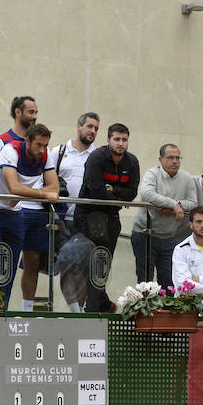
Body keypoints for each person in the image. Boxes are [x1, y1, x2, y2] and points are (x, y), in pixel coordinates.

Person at [0, 123, 62, 307]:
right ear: (27, 141)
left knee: (8, 266)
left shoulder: (45, 154)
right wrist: (41, 193)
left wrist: (24, 194)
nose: (42, 150)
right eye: (38, 145)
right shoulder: (11, 150)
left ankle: (3, 311)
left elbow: (54, 188)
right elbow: (14, 188)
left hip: (15, 213)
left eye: (45, 145)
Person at [75, 123, 140, 313]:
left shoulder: (132, 162)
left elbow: (132, 193)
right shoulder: (96, 157)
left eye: (124, 139)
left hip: (111, 217)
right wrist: (118, 197)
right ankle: (88, 309)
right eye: (117, 139)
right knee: (86, 265)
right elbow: (95, 190)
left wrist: (112, 190)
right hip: (87, 216)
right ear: (108, 140)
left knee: (103, 264)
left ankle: (97, 305)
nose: (121, 143)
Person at [131, 143, 196, 290]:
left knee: (168, 282)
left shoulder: (187, 178)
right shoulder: (152, 173)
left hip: (169, 237)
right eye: (170, 157)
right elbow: (146, 194)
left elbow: (193, 203)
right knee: (145, 282)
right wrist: (173, 204)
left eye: (177, 158)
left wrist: (175, 205)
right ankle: (144, 313)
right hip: (144, 235)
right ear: (160, 159)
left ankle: (165, 313)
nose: (174, 161)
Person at [55, 112, 99, 312]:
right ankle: (76, 312)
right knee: (66, 266)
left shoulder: (98, 156)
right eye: (89, 126)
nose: (93, 131)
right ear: (79, 127)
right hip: (62, 220)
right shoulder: (59, 151)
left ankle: (79, 312)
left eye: (96, 128)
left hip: (86, 222)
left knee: (81, 269)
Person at [0, 96, 37, 170]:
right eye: (31, 112)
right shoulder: (0, 141)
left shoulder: (37, 142)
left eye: (36, 113)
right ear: (18, 112)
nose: (35, 117)